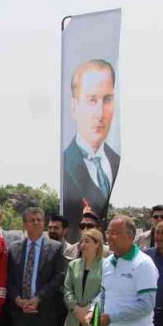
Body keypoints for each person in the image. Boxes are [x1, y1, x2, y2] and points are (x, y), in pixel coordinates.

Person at [61, 59, 120, 228]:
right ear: (74, 107)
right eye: (92, 100)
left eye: (107, 99)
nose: (100, 114)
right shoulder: (64, 167)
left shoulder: (116, 162)